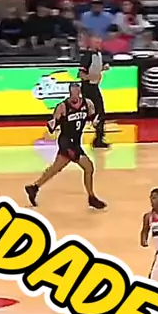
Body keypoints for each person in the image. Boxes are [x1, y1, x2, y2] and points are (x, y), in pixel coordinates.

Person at [24, 82, 106, 210]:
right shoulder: (62, 106)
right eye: (72, 93)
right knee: (88, 167)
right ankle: (91, 198)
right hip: (66, 142)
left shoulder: (88, 104)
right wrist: (52, 124)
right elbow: (53, 124)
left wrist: (95, 122)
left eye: (77, 93)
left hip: (76, 142)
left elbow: (92, 117)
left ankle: (34, 187)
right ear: (69, 93)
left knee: (55, 169)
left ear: (79, 92)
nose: (75, 96)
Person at [79, 34, 110, 148]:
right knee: (94, 113)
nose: (100, 44)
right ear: (91, 44)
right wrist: (92, 77)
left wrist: (103, 68)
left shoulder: (99, 55)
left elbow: (97, 67)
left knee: (99, 112)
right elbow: (81, 74)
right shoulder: (87, 56)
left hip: (94, 87)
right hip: (88, 88)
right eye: (97, 42)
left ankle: (99, 138)